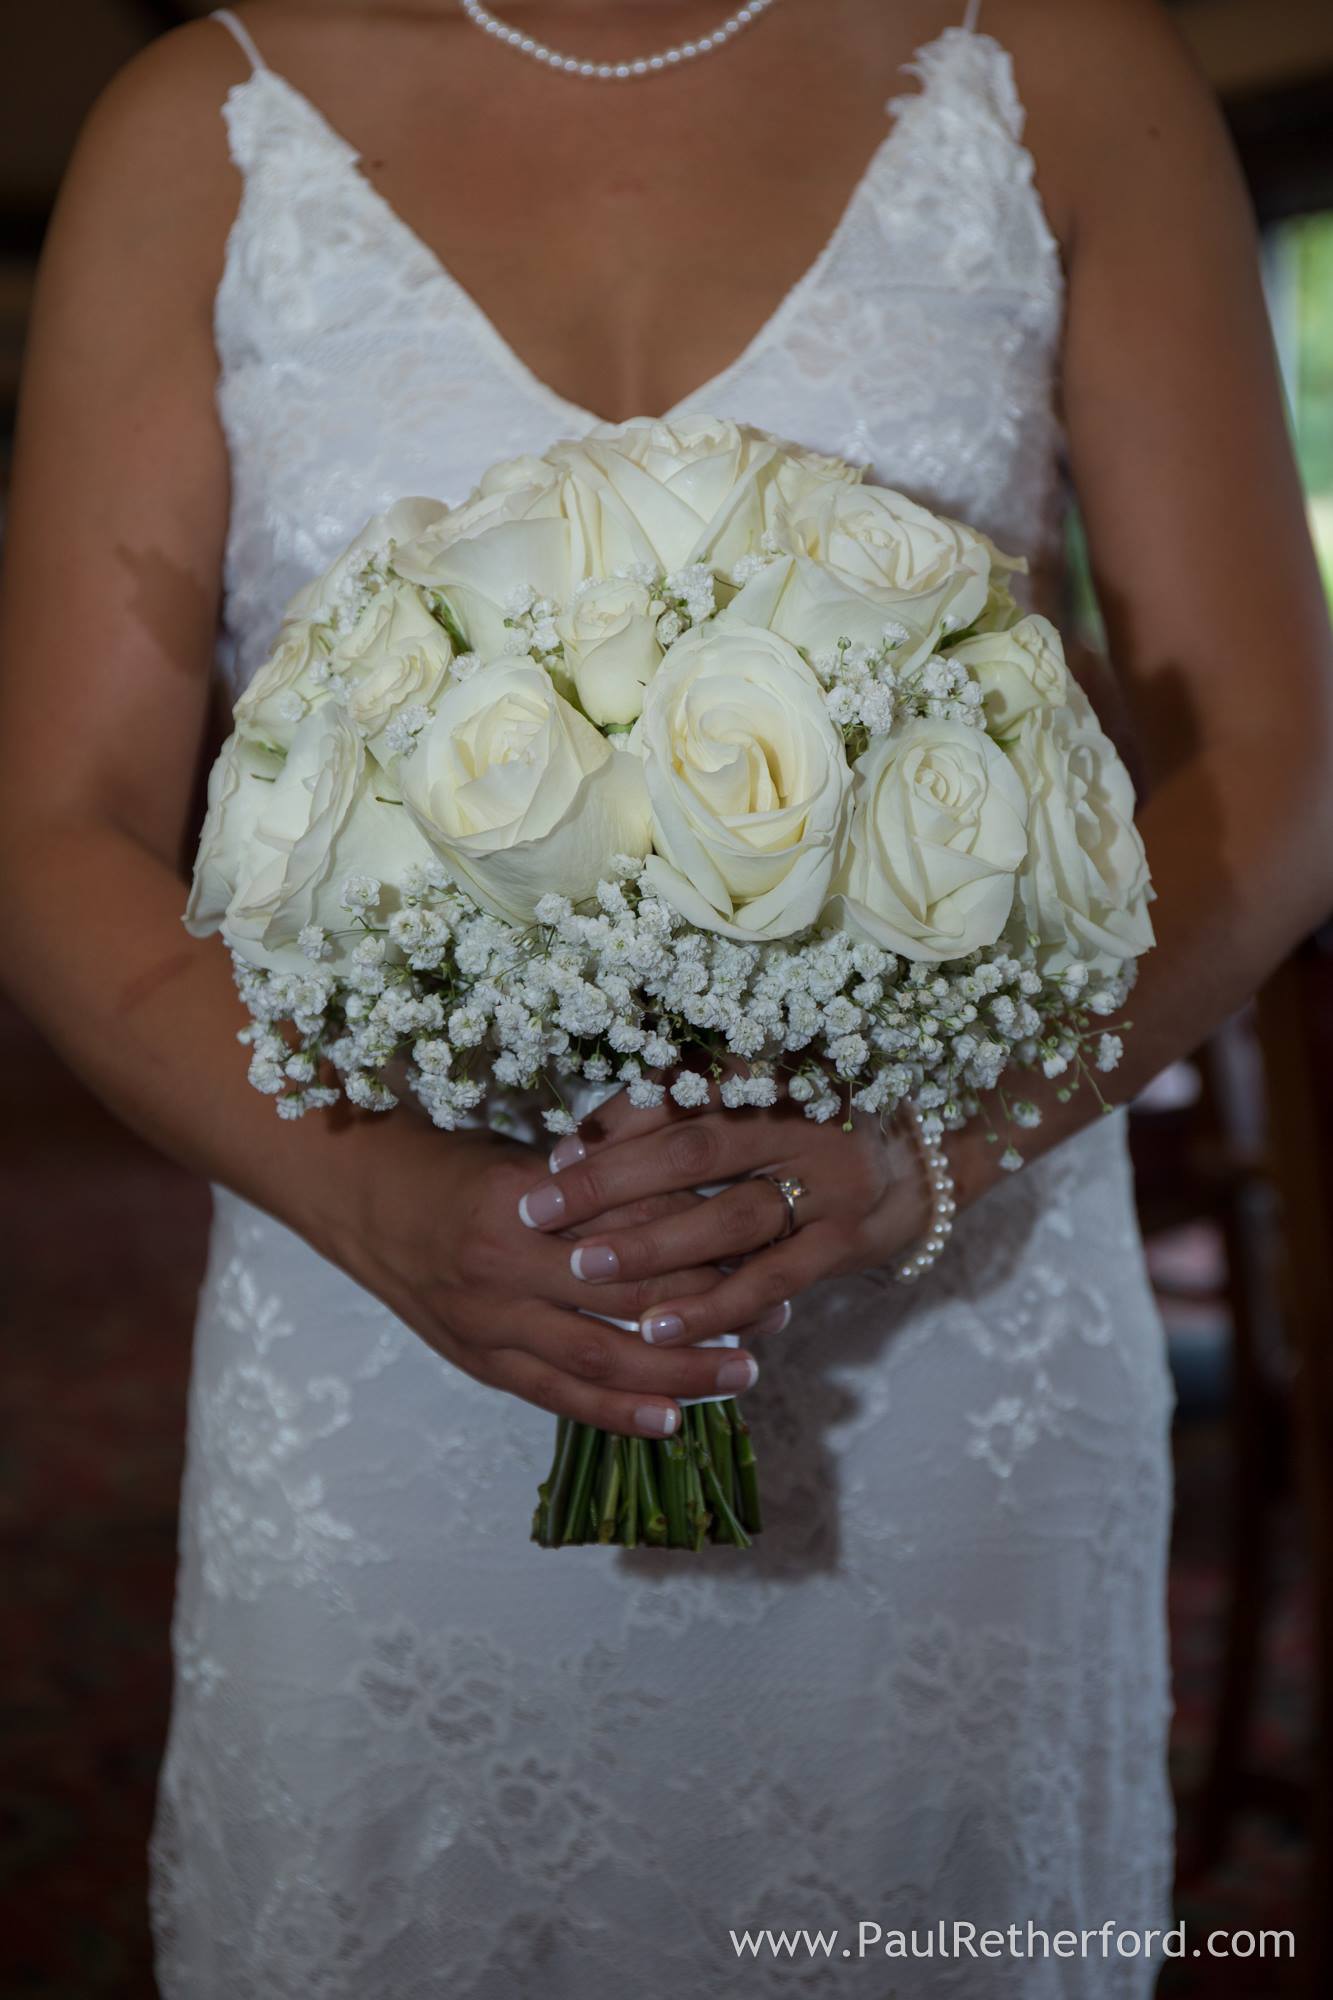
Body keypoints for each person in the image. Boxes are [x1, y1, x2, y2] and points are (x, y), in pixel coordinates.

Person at [1, 0, 1329, 1992]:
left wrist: (919, 1157)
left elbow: (1277, 770)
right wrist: (371, 1199)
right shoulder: (197, 125)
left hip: (952, 1340)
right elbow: (59, 823)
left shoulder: (1060, 68)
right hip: (388, 1329)